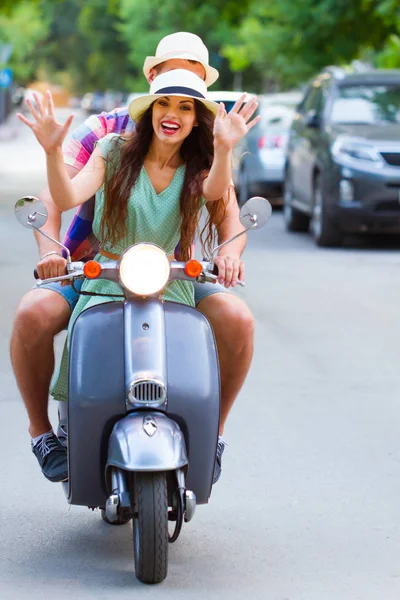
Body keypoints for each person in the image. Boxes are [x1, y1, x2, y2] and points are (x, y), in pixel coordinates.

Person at [10, 32, 256, 484]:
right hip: (99, 267)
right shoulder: (108, 143)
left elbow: (223, 207)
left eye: (188, 101)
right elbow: (63, 193)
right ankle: (43, 432)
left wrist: (230, 252)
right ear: (151, 88)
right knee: (32, 311)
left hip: (175, 273)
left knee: (239, 319)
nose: (175, 110)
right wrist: (49, 153)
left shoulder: (205, 159)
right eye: (166, 99)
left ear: (201, 109)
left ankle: (213, 434)